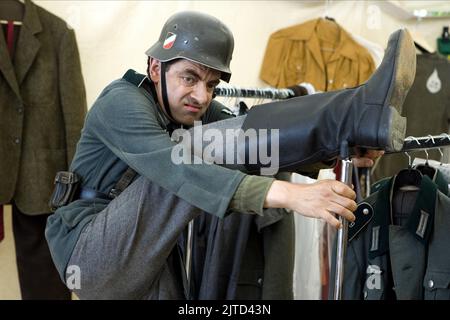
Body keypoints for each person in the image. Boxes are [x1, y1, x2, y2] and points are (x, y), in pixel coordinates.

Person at [45, 11, 415, 299]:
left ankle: (354, 120)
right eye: (189, 78)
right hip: (91, 254)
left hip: (149, 253)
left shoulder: (196, 111)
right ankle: (358, 107)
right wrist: (290, 195)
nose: (202, 96)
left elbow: (257, 140)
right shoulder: (121, 103)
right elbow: (179, 171)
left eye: (210, 84)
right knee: (195, 149)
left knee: (238, 130)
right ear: (156, 68)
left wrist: (339, 150)